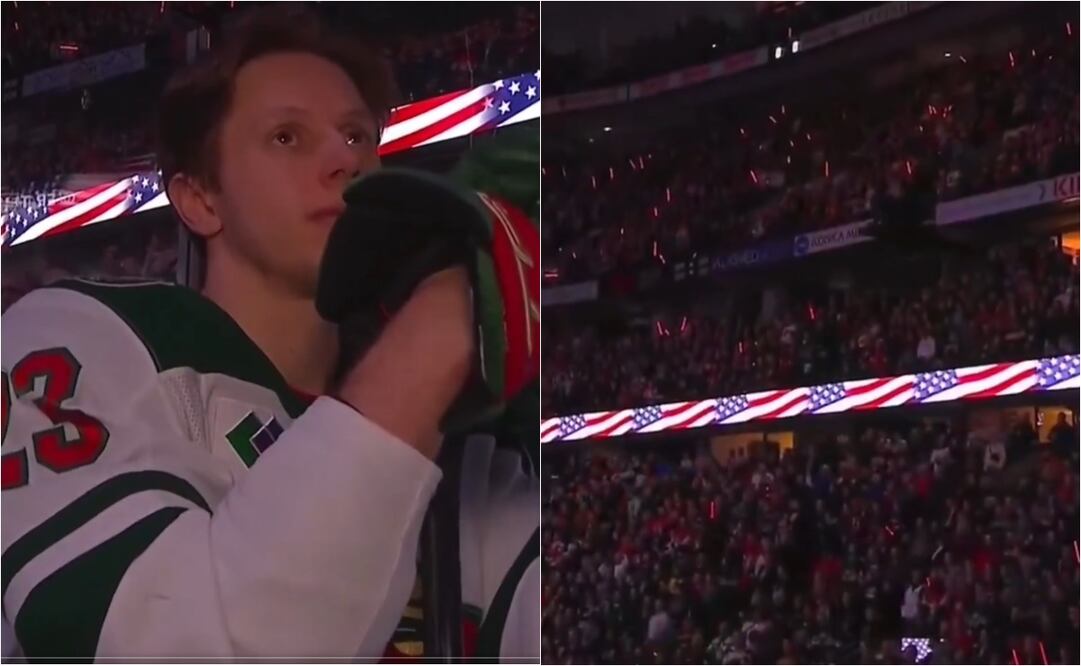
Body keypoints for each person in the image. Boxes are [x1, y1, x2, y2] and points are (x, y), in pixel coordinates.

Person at [0, 7, 538, 661]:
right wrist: (440, 327)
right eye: (287, 137)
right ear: (200, 198)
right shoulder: (76, 332)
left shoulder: (470, 449)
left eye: (356, 137)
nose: (344, 161)